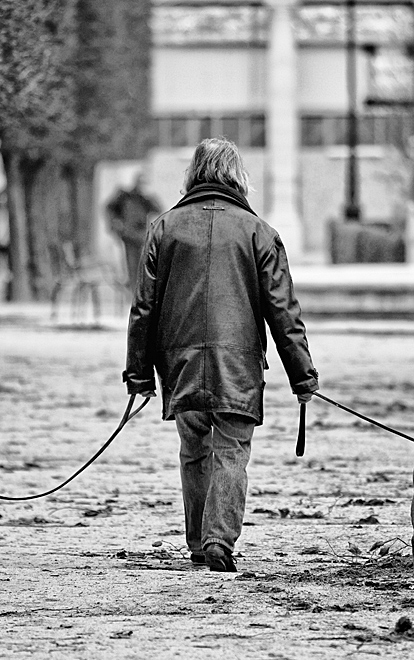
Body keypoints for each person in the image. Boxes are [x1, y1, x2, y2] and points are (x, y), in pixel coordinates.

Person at [123, 138, 319, 573]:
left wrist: (138, 374)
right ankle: (219, 541)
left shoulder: (164, 228)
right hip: (238, 364)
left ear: (194, 173)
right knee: (232, 451)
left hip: (181, 362)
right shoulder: (259, 233)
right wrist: (303, 376)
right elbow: (282, 312)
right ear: (237, 175)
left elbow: (144, 308)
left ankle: (198, 541)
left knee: (194, 450)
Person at [106, 173, 160, 290]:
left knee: (143, 265)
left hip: (141, 236)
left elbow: (157, 209)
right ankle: (133, 291)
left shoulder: (145, 198)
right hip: (128, 235)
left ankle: (139, 290)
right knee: (131, 266)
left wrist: (149, 195)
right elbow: (109, 208)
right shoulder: (125, 196)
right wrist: (116, 224)